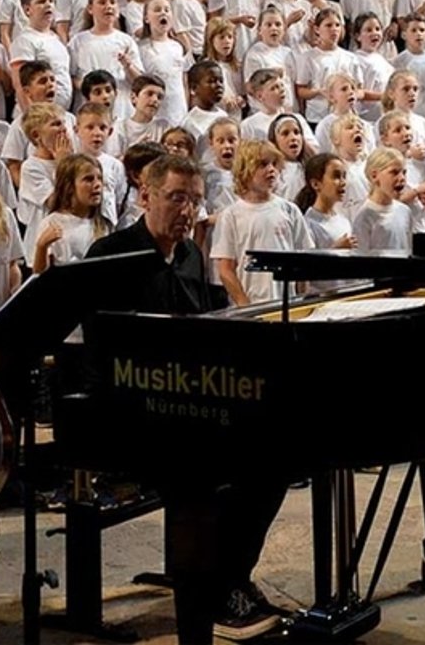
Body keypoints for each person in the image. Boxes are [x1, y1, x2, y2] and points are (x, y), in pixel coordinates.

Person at [82, 154, 289, 640]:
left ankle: (226, 580)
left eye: (195, 200)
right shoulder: (112, 255)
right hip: (132, 413)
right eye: (176, 197)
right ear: (144, 196)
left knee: (275, 463)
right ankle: (202, 610)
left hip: (191, 405)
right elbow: (106, 352)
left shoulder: (192, 255)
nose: (187, 210)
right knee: (198, 481)